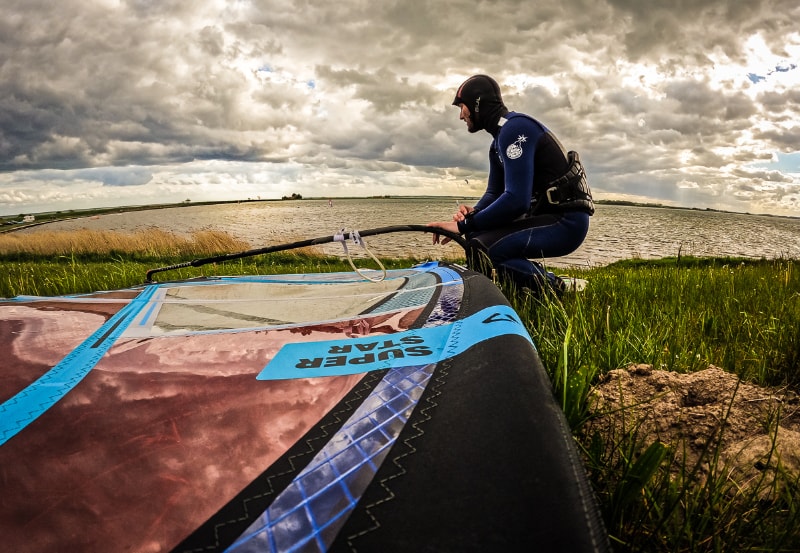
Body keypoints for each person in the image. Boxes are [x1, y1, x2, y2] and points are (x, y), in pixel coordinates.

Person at [428, 74, 594, 295]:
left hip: (566, 223)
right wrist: (473, 214)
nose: (461, 116)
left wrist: (462, 226)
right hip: (545, 217)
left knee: (482, 248)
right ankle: (525, 285)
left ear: (477, 104)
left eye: (462, 107)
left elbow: (517, 200)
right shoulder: (497, 142)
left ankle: (556, 288)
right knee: (476, 238)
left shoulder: (516, 129)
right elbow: (494, 193)